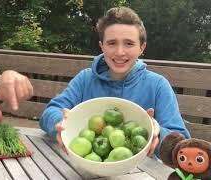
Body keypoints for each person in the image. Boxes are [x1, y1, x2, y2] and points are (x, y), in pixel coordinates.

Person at [39, 7, 190, 156]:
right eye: (112, 43)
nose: (119, 52)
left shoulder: (158, 85)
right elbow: (50, 112)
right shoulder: (85, 79)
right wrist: (60, 123)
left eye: (129, 43)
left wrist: (154, 131)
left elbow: (182, 142)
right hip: (85, 167)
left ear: (141, 48)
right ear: (102, 46)